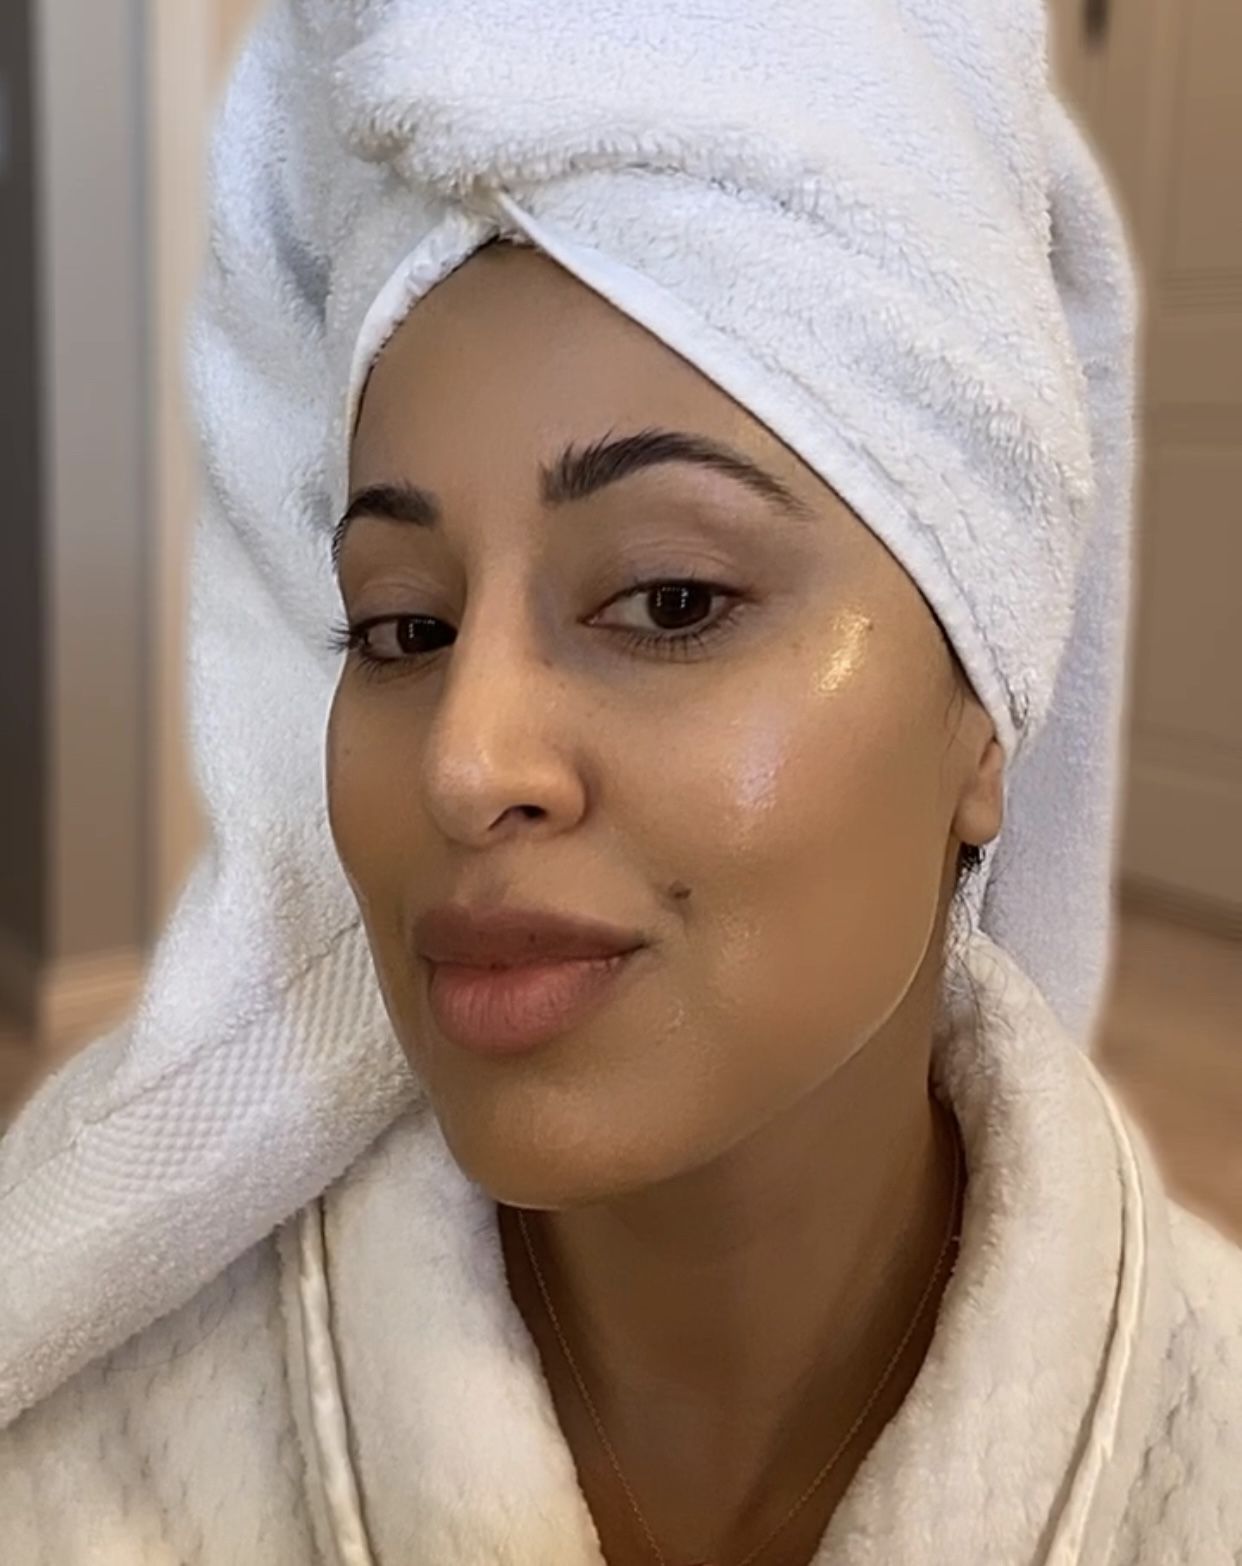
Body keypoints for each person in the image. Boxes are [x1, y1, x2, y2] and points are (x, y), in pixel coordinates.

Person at [2, 2, 1240, 1563]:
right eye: (402, 627)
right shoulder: (94, 1460)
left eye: (669, 599)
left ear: (983, 716)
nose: (465, 762)